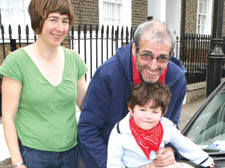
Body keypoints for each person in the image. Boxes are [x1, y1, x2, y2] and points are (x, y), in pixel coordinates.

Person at [78, 20, 187, 168]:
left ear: (171, 54)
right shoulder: (107, 75)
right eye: (146, 55)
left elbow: (171, 126)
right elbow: (87, 129)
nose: (153, 65)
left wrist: (170, 150)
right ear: (135, 49)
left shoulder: (177, 79)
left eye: (162, 57)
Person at [0, 0, 87, 168]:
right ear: (38, 21)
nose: (60, 28)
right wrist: (17, 162)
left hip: (71, 152)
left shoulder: (74, 60)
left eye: (65, 21)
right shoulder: (17, 62)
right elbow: (8, 117)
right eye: (53, 19)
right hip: (34, 155)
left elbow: (86, 104)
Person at [107, 82, 215, 168]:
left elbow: (183, 143)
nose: (148, 116)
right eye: (142, 110)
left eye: (154, 112)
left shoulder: (165, 126)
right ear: (131, 109)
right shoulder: (120, 131)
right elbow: (114, 161)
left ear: (162, 113)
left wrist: (204, 159)